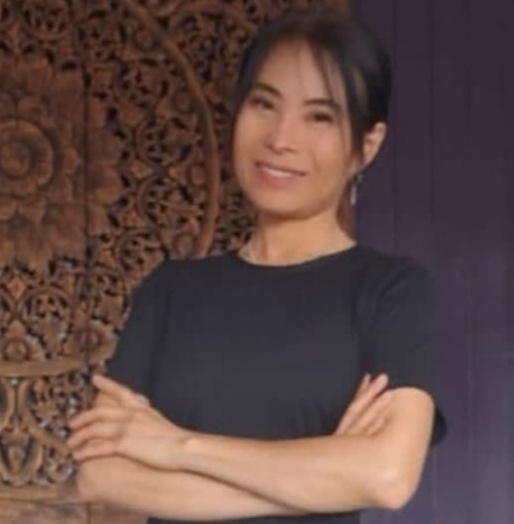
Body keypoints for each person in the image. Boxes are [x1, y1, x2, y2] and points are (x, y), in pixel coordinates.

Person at [67, 6, 446, 524]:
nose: (281, 139)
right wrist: (325, 476)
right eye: (264, 104)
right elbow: (102, 475)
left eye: (319, 116)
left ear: (366, 146)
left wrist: (177, 446)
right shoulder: (171, 290)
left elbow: (386, 475)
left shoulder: (390, 290)